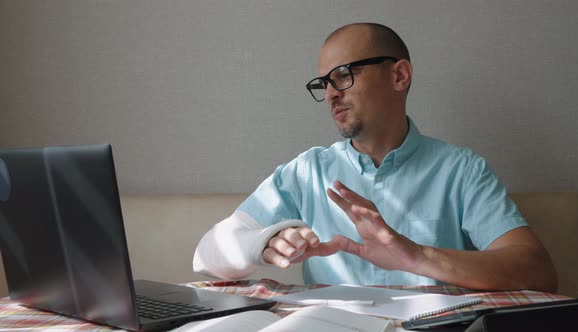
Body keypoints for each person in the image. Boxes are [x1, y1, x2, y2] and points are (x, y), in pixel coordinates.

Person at [193, 22, 557, 292]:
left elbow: (538, 272)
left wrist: (414, 256)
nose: (332, 93)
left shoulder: (461, 171)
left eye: (344, 75)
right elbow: (207, 255)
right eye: (324, 83)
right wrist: (262, 242)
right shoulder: (307, 172)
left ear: (399, 76)